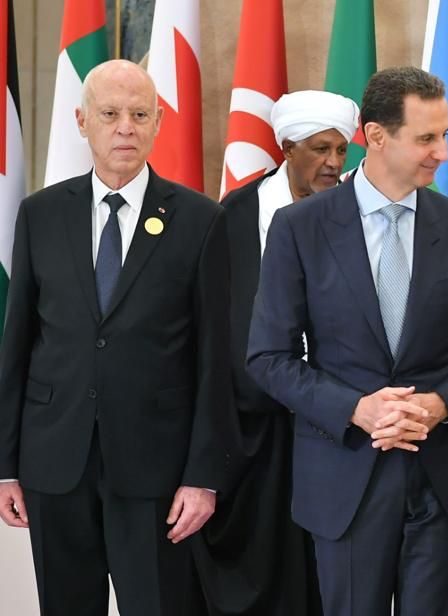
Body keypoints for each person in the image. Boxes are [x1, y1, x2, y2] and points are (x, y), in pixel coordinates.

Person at [246, 66, 448, 616]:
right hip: (344, 477)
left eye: (445, 134)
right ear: (376, 136)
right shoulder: (300, 227)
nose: (444, 153)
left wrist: (440, 405)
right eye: (426, 138)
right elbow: (268, 358)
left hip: (441, 480)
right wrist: (356, 409)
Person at [0, 59, 230, 616]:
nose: (125, 127)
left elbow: (215, 359)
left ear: (158, 123)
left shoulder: (200, 220)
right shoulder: (40, 214)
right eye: (109, 114)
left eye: (140, 115)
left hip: (157, 471)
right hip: (56, 461)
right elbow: (18, 343)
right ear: (82, 121)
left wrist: (203, 477)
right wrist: (6, 464)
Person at [192, 90, 359, 616]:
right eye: (320, 149)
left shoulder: (361, 212)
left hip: (336, 424)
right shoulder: (235, 216)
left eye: (341, 150)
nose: (333, 162)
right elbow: (216, 326)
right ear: (287, 148)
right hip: (255, 433)